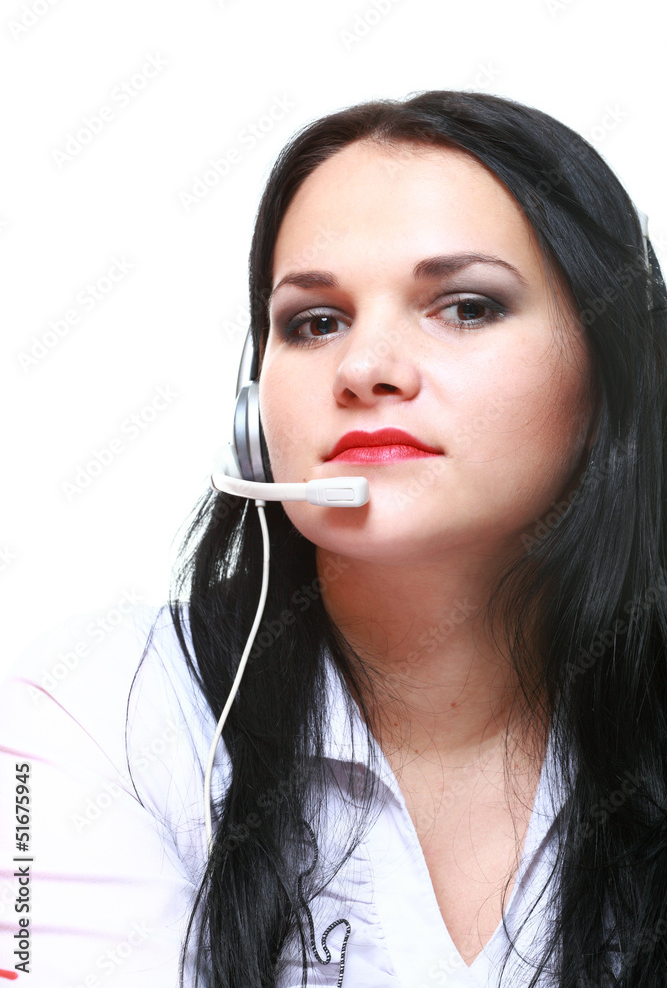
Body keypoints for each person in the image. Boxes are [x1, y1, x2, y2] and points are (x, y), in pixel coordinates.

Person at [1, 90, 666, 988]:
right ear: (252, 412)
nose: (363, 369)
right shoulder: (91, 709)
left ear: (609, 374)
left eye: (465, 307)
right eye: (314, 322)